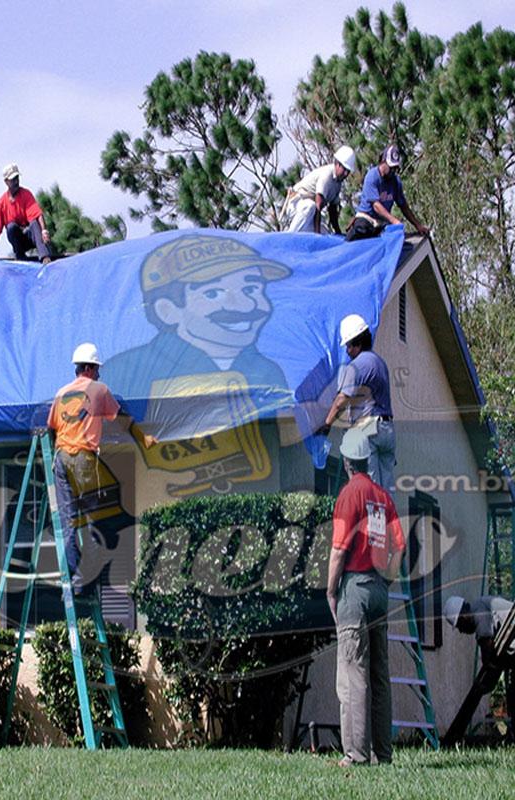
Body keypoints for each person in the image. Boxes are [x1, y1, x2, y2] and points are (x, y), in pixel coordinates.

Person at [102, 233, 312, 497]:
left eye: (251, 289)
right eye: (213, 293)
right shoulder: (125, 371)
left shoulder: (268, 371)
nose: (246, 305)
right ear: (168, 310)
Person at [47, 342, 155, 589]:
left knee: (68, 522)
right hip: (83, 459)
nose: (98, 374)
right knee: (100, 521)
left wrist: (60, 456)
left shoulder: (61, 393)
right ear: (89, 367)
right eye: (96, 369)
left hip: (60, 458)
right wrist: (144, 438)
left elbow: (52, 428)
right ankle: (85, 581)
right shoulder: (99, 390)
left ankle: (72, 579)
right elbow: (123, 420)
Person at [327, 427, 406, 766]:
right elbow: (399, 545)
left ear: (347, 461)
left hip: (355, 590)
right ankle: (382, 753)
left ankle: (355, 754)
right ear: (367, 460)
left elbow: (339, 548)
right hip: (378, 589)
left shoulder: (349, 493)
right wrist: (388, 576)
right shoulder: (383, 497)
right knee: (378, 674)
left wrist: (331, 590)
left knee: (353, 673)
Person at [444, 595, 515, 745]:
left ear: (464, 616)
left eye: (460, 626)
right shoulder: (481, 608)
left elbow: (488, 650)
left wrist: (485, 681)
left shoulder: (478, 611)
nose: (461, 631)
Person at [321, 313, 396, 491]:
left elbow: (341, 400)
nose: (347, 350)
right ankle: (388, 519)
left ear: (358, 342)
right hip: (387, 430)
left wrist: (326, 425)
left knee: (368, 488)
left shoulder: (356, 366)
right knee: (386, 490)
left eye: (348, 345)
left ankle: (372, 519)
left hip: (368, 429)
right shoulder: (380, 363)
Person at [345, 145, 429, 242]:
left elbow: (403, 206)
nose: (393, 171)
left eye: (395, 168)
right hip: (366, 219)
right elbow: (376, 206)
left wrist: (417, 225)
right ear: (383, 162)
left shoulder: (395, 182)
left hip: (381, 224)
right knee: (360, 232)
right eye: (391, 167)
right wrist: (393, 220)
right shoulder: (372, 177)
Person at [0, 163, 53, 263]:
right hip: (18, 241)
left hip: (31, 237)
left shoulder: (26, 194)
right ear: (6, 182)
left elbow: (37, 214)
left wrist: (44, 231)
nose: (16, 181)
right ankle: (20, 256)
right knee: (11, 227)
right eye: (12, 179)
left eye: (17, 178)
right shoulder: (2, 203)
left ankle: (44, 256)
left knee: (34, 223)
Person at [283, 146, 357, 234]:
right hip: (297, 205)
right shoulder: (327, 176)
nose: (346, 174)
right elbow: (318, 206)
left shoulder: (338, 183)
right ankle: (290, 236)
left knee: (326, 234)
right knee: (310, 206)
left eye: (348, 171)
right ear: (337, 164)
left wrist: (338, 232)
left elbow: (332, 211)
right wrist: (317, 235)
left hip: (309, 215)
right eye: (344, 169)